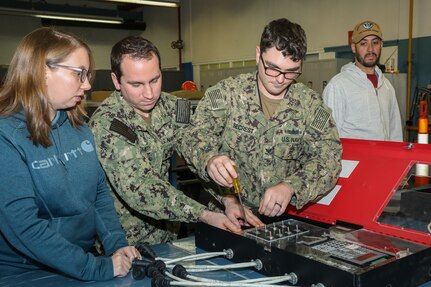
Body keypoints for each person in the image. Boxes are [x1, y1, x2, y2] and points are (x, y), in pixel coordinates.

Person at [0, 27, 140, 280]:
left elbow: (97, 195)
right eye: (79, 74)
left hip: (80, 262)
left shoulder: (79, 129)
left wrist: (117, 245)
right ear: (41, 71)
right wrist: (96, 268)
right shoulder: (6, 136)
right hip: (25, 274)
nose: (86, 85)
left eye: (87, 75)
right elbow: (24, 227)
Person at [180, 18, 342, 227]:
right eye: (273, 68)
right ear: (258, 55)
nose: (281, 79)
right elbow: (192, 137)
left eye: (291, 71)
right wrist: (211, 161)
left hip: (285, 219)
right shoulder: (226, 95)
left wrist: (291, 186)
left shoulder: (309, 104)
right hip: (228, 217)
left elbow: (329, 157)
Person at [88, 36, 241, 245]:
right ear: (116, 81)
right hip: (126, 241)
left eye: (155, 80)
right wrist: (204, 214)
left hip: (169, 232)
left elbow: (194, 140)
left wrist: (222, 184)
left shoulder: (176, 106)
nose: (149, 93)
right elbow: (142, 188)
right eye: (136, 84)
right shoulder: (106, 124)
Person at [323, 20, 403, 141]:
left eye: (375, 43)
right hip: (352, 160)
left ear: (381, 45)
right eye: (363, 43)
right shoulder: (337, 86)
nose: (370, 49)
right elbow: (327, 137)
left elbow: (395, 132)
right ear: (354, 47)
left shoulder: (387, 87)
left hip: (383, 159)